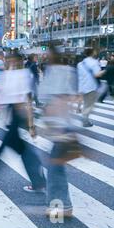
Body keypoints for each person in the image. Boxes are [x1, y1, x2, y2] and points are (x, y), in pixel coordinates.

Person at [0, 52, 46, 194]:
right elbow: (4, 94)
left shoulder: (22, 75)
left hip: (17, 117)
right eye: (8, 60)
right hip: (13, 117)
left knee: (4, 150)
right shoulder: (12, 74)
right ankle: (39, 181)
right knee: (25, 152)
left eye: (11, 60)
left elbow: (26, 101)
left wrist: (31, 125)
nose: (9, 63)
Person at [38, 48, 79, 218]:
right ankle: (62, 204)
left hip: (61, 125)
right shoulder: (68, 71)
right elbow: (71, 97)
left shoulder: (55, 72)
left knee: (55, 166)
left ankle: (62, 205)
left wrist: (55, 127)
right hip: (64, 123)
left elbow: (56, 99)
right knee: (56, 164)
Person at [77, 48, 106, 127]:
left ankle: (85, 118)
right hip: (91, 86)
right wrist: (105, 70)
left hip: (82, 86)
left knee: (86, 104)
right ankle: (85, 119)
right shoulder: (94, 62)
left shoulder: (80, 63)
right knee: (90, 105)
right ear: (92, 53)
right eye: (95, 51)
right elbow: (97, 74)